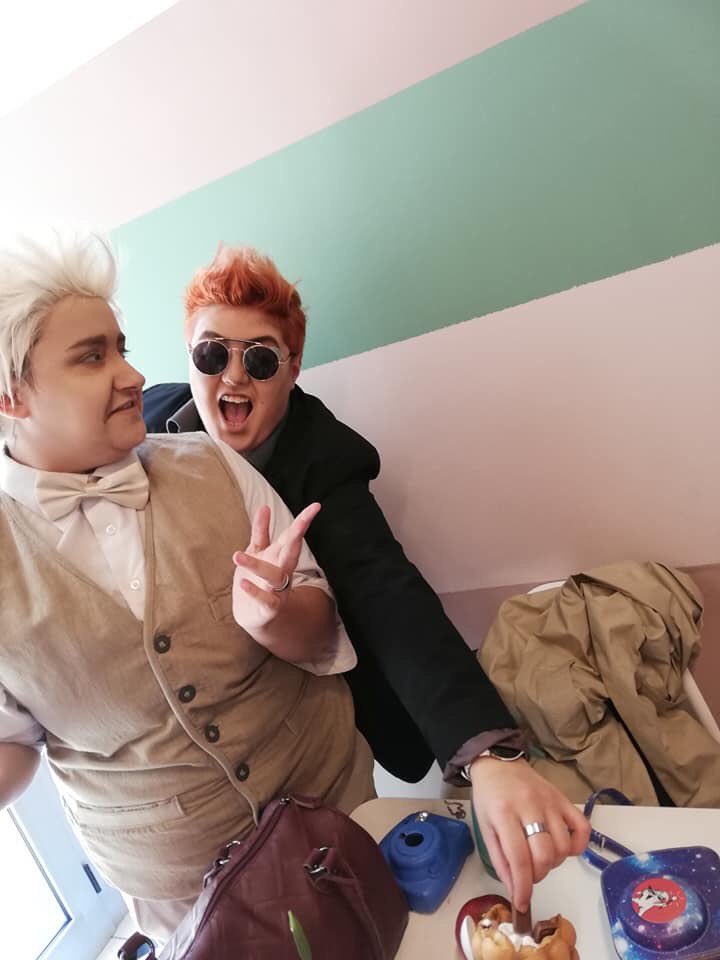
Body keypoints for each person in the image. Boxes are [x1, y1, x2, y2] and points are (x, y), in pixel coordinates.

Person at [143, 245, 591, 911]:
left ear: (292, 369)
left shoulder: (325, 460)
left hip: (304, 736)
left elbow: (388, 591)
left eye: (259, 359)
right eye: (212, 354)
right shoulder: (145, 428)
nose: (233, 375)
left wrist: (489, 757)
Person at [0, 228, 375, 944]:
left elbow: (325, 626)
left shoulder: (213, 463)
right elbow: (13, 742)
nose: (132, 375)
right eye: (92, 356)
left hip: (335, 808)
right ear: (10, 395)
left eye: (122, 348)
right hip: (182, 894)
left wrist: (275, 616)